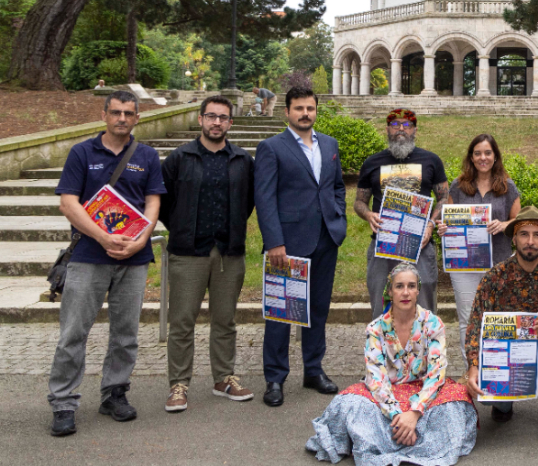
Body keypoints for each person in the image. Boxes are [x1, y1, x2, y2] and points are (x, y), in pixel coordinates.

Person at [47, 90, 166, 436]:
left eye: (129, 113)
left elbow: (153, 200)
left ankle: (115, 393)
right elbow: (68, 203)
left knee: (126, 332)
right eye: (116, 112)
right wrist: (102, 237)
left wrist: (142, 238)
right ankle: (63, 402)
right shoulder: (82, 152)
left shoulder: (146, 155)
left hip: (134, 257)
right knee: (73, 332)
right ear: (104, 115)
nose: (122, 119)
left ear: (137, 118)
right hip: (88, 256)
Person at [306, 264, 478, 465]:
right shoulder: (375, 329)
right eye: (399, 286)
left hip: (424, 391)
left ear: (418, 290)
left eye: (411, 286)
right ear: (390, 291)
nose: (406, 292)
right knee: (348, 404)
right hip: (387, 392)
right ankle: (411, 439)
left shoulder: (433, 324)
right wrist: (398, 417)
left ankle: (389, 439)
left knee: (456, 402)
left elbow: (436, 374)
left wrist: (414, 413)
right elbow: (376, 379)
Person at [160, 96, 256, 412]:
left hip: (229, 252)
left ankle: (224, 377)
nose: (217, 122)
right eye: (211, 116)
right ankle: (178, 384)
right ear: (201, 119)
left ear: (231, 122)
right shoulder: (179, 158)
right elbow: (162, 200)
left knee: (225, 319)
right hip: (188, 252)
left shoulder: (242, 160)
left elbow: (248, 203)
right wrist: (182, 226)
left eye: (223, 117)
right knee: (182, 320)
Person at [254, 87, 347, 407]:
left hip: (326, 238)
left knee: (318, 310)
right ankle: (275, 378)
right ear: (287, 112)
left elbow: (336, 187)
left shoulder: (330, 144)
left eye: (310, 108)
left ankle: (313, 370)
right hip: (288, 243)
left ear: (316, 110)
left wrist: (339, 219)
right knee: (282, 312)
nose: (305, 113)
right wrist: (274, 242)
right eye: (298, 108)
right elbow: (264, 199)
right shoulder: (271, 147)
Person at [464, 207, 538, 447]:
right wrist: (474, 366)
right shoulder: (495, 276)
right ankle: (504, 402)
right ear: (514, 238)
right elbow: (476, 322)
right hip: (504, 357)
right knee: (490, 401)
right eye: (524, 234)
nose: (530, 241)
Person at [435, 134, 521, 361]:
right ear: (471, 158)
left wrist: (504, 224)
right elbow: (447, 220)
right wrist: (444, 228)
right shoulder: (458, 186)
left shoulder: (508, 187)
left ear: (495, 156)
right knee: (468, 319)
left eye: (487, 153)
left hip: (499, 264)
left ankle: (495, 368)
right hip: (465, 266)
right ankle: (470, 369)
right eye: (478, 153)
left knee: (497, 318)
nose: (483, 157)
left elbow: (519, 223)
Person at [356, 108, 448, 317]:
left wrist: (431, 224)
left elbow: (443, 197)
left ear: (414, 129)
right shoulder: (372, 162)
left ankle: (426, 349)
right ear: (387, 129)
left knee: (424, 306)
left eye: (406, 125)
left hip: (420, 246)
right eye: (395, 124)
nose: (400, 129)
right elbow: (359, 202)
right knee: (381, 305)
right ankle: (382, 349)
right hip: (383, 245)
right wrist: (369, 215)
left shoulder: (431, 160)